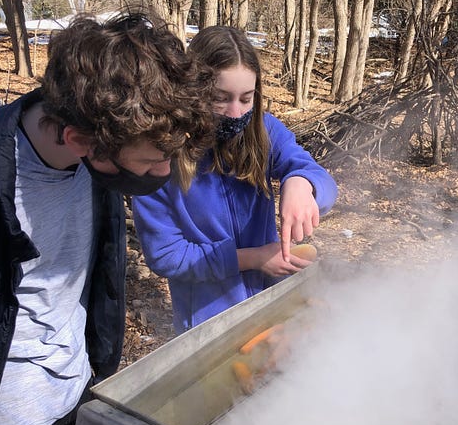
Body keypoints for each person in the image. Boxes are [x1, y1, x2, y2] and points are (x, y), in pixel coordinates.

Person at [0, 13, 215, 425]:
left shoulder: (105, 135)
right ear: (80, 141)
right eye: (155, 160)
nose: (164, 175)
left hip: (82, 386)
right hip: (4, 424)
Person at [133, 26, 338, 334]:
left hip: (270, 303)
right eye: (220, 98)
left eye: (246, 98)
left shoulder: (264, 131)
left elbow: (318, 177)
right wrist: (253, 258)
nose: (235, 112)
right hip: (207, 320)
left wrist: (301, 184)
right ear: (193, 91)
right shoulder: (160, 156)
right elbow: (167, 257)